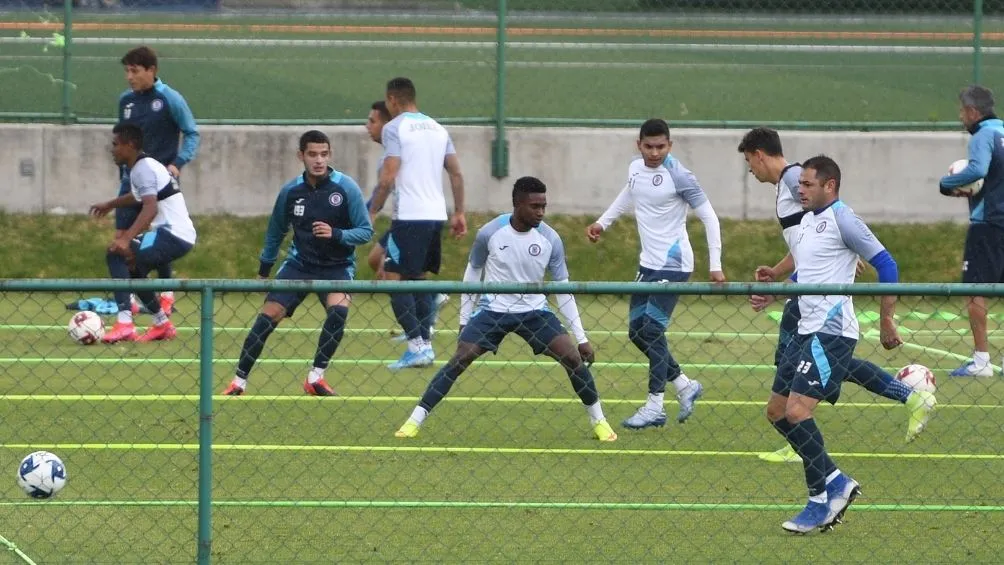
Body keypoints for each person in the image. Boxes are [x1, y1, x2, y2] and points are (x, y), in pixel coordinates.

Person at [738, 127, 936, 459]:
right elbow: (807, 246)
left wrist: (847, 253)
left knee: (804, 369)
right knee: (826, 364)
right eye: (802, 185)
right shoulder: (798, 198)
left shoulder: (793, 183)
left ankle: (800, 432)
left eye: (749, 161)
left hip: (817, 302)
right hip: (805, 293)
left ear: (759, 155)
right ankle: (904, 396)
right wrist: (776, 275)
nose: (750, 170)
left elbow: (838, 233)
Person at [394, 176, 618, 442]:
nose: (541, 212)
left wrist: (581, 338)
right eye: (535, 206)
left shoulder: (551, 239)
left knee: (572, 359)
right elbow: (473, 272)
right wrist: (464, 320)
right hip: (493, 311)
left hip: (535, 313)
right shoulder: (490, 232)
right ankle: (414, 421)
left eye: (544, 206)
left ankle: (599, 421)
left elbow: (563, 289)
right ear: (517, 204)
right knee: (460, 359)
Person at [767, 155, 902, 533]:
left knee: (797, 411)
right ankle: (837, 480)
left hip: (832, 332)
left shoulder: (844, 218)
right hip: (805, 330)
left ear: (830, 186)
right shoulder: (807, 223)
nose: (800, 189)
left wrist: (886, 319)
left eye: (808, 184)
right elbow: (804, 274)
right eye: (800, 184)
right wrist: (774, 293)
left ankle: (819, 501)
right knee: (777, 411)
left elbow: (887, 264)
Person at [586, 118, 723, 430]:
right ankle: (685, 385)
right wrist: (602, 223)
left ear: (670, 146)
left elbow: (710, 218)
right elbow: (628, 195)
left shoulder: (681, 176)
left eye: (661, 146)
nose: (654, 152)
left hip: (674, 265)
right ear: (639, 145)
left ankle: (655, 406)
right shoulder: (635, 169)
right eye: (649, 146)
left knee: (651, 330)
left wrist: (715, 265)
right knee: (636, 332)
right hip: (647, 264)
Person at [221, 130, 373, 396]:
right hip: (299, 265)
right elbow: (275, 232)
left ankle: (316, 377)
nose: (318, 160)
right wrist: (264, 270)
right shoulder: (291, 192)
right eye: (312, 154)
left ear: (330, 155)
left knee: (338, 313)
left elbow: (365, 230)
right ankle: (238, 382)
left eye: (324, 154)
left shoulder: (346, 188)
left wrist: (337, 234)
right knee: (267, 319)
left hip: (336, 266)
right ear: (300, 156)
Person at [367, 77, 466, 371]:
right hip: (435, 215)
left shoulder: (394, 128)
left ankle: (416, 346)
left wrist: (372, 211)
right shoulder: (438, 128)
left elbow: (388, 176)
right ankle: (425, 343)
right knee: (418, 280)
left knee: (393, 279)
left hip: (409, 216)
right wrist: (460, 212)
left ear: (393, 100)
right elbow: (456, 173)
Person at [88, 123, 196, 343]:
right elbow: (138, 197)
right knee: (133, 267)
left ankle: (125, 323)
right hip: (173, 234)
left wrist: (126, 239)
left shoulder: (143, 168)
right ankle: (162, 324)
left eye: (116, 144)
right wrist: (111, 204)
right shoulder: (141, 167)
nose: (112, 149)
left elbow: (150, 207)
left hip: (173, 235)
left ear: (131, 145)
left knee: (116, 253)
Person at [117, 45, 200, 316]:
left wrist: (177, 164)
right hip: (132, 183)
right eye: (127, 71)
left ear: (151, 71)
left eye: (135, 71)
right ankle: (125, 308)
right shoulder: (125, 101)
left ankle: (165, 296)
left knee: (160, 238)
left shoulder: (169, 98)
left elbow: (191, 133)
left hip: (161, 186)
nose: (130, 77)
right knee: (121, 240)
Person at [362, 100, 449, 339]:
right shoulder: (391, 151)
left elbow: (386, 186)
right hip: (409, 219)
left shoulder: (394, 151)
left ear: (386, 123)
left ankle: (419, 336)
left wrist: (367, 214)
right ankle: (422, 321)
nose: (367, 126)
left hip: (413, 219)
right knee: (377, 261)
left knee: (395, 275)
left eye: (372, 121)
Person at [939, 85, 1004, 377]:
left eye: (962, 111)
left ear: (973, 112)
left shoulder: (983, 136)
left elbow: (977, 170)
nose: (960, 116)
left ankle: (981, 362)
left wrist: (947, 183)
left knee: (975, 289)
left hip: (987, 225)